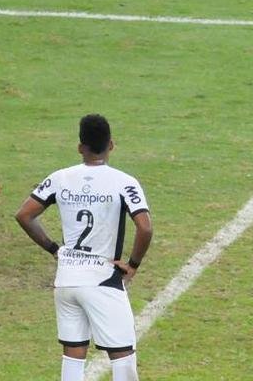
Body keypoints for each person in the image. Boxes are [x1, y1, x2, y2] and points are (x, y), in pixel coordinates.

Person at [15, 114, 154, 381]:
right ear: (111, 145)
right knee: (122, 354)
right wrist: (133, 265)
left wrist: (55, 249)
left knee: (73, 353)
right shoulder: (124, 182)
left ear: (80, 147)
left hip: (66, 280)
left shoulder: (60, 178)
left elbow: (24, 215)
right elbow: (145, 228)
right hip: (102, 279)